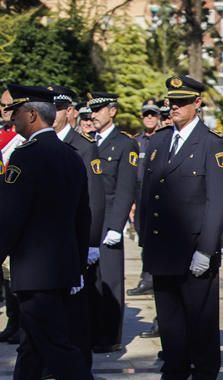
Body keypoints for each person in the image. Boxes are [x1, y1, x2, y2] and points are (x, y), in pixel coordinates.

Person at [0, 84, 121, 380]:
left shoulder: (27, 157)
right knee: (34, 346)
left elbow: (9, 218)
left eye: (16, 111)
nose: (11, 117)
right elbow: (82, 215)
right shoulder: (70, 155)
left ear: (32, 115)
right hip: (62, 269)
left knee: (58, 349)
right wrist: (76, 259)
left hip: (35, 272)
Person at [140, 75, 223, 380]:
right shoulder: (159, 141)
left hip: (194, 246)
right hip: (162, 245)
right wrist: (144, 242)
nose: (174, 108)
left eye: (181, 102)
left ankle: (204, 374)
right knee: (169, 316)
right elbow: (148, 192)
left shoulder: (212, 142)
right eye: (171, 102)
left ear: (197, 103)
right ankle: (175, 370)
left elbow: (217, 201)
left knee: (200, 316)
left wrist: (207, 248)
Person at [52, 85, 105, 367]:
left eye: (59, 108)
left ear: (70, 112)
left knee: (76, 307)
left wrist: (92, 242)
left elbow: (94, 198)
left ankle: (79, 361)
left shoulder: (83, 145)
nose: (54, 113)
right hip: (49, 240)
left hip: (76, 239)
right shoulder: (39, 143)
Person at [87, 91, 138, 353]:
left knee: (110, 280)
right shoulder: (88, 142)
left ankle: (109, 336)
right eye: (91, 111)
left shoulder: (124, 144)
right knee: (90, 281)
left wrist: (116, 226)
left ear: (112, 111)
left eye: (98, 110)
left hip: (109, 220)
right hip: (90, 221)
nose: (93, 115)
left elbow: (125, 189)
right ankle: (92, 331)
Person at [129, 100, 162, 298]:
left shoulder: (162, 139)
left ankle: (153, 277)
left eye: (153, 114)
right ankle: (146, 277)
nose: (149, 118)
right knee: (143, 238)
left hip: (157, 194)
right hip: (140, 195)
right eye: (146, 114)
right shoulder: (136, 141)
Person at [0, 89, 25, 345]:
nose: (5, 110)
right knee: (7, 277)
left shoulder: (19, 139)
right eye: (2, 105)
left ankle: (21, 324)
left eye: (10, 106)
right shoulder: (4, 137)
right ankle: (12, 320)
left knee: (16, 274)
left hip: (16, 216)